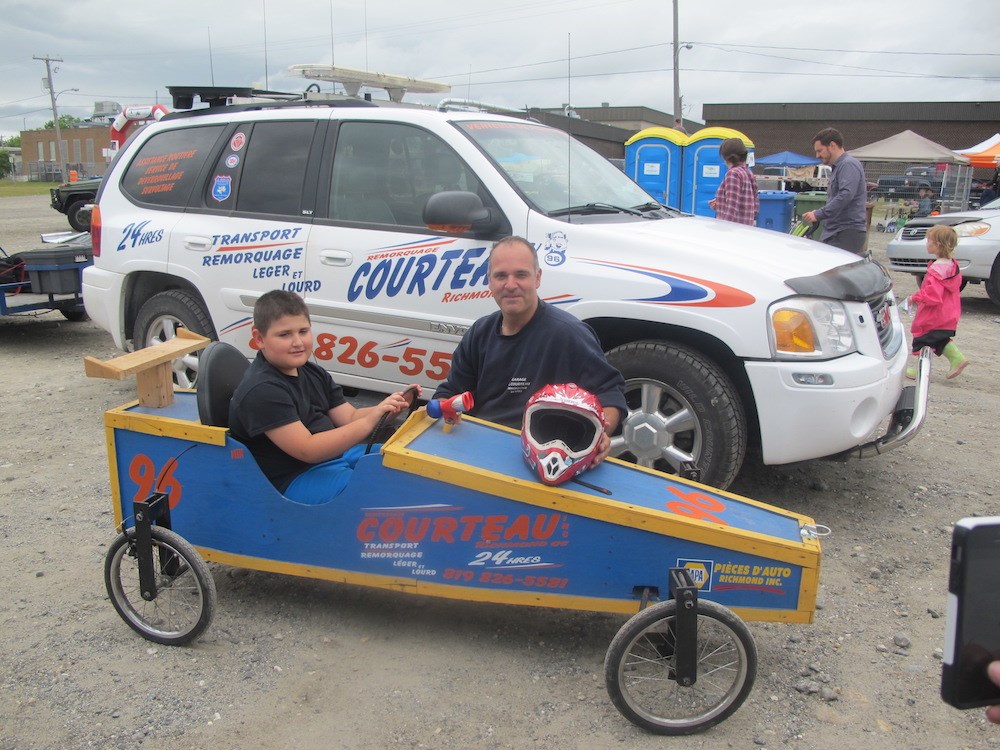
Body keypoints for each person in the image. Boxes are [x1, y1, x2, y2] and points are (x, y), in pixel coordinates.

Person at [432, 236, 627, 465]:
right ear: (489, 282)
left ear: (538, 278)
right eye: (501, 276)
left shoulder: (569, 335)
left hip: (546, 459)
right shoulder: (479, 333)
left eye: (521, 275)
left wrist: (600, 432)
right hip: (480, 450)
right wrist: (440, 408)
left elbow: (610, 392)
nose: (511, 284)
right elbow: (452, 390)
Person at [229, 289, 416, 504]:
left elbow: (350, 417)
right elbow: (307, 449)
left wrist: (386, 410)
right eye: (285, 334)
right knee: (382, 489)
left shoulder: (312, 372)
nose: (298, 342)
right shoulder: (262, 390)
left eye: (303, 331)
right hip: (293, 478)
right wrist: (368, 423)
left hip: (334, 458)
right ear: (259, 338)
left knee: (406, 460)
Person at [902, 224, 969, 380]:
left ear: (937, 244)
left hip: (934, 315)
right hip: (949, 312)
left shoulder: (937, 270)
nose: (927, 243)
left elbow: (933, 295)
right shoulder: (952, 265)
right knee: (938, 338)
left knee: (923, 340)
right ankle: (957, 358)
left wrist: (915, 297)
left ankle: (919, 369)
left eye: (928, 241)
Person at [801, 128, 869, 254]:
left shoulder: (848, 165)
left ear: (832, 145)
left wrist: (819, 214)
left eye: (819, 150)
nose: (817, 155)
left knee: (832, 271)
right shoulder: (839, 167)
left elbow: (846, 195)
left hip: (845, 232)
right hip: (836, 231)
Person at [708, 137, 759, 225]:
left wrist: (723, 228)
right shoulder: (748, 173)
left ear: (725, 156)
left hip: (732, 231)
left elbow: (731, 208)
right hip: (746, 229)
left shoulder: (733, 174)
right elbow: (755, 206)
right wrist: (720, 203)